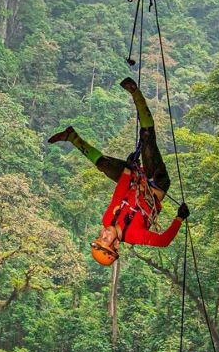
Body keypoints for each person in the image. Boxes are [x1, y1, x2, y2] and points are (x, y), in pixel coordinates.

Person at [48, 76, 189, 264]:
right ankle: (135, 92)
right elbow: (163, 241)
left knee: (104, 165)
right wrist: (179, 218)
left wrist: (129, 170)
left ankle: (71, 137)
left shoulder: (108, 220)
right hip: (157, 182)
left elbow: (119, 193)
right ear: (115, 246)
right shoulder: (135, 235)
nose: (104, 232)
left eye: (100, 236)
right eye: (105, 239)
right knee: (147, 138)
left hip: (133, 180)